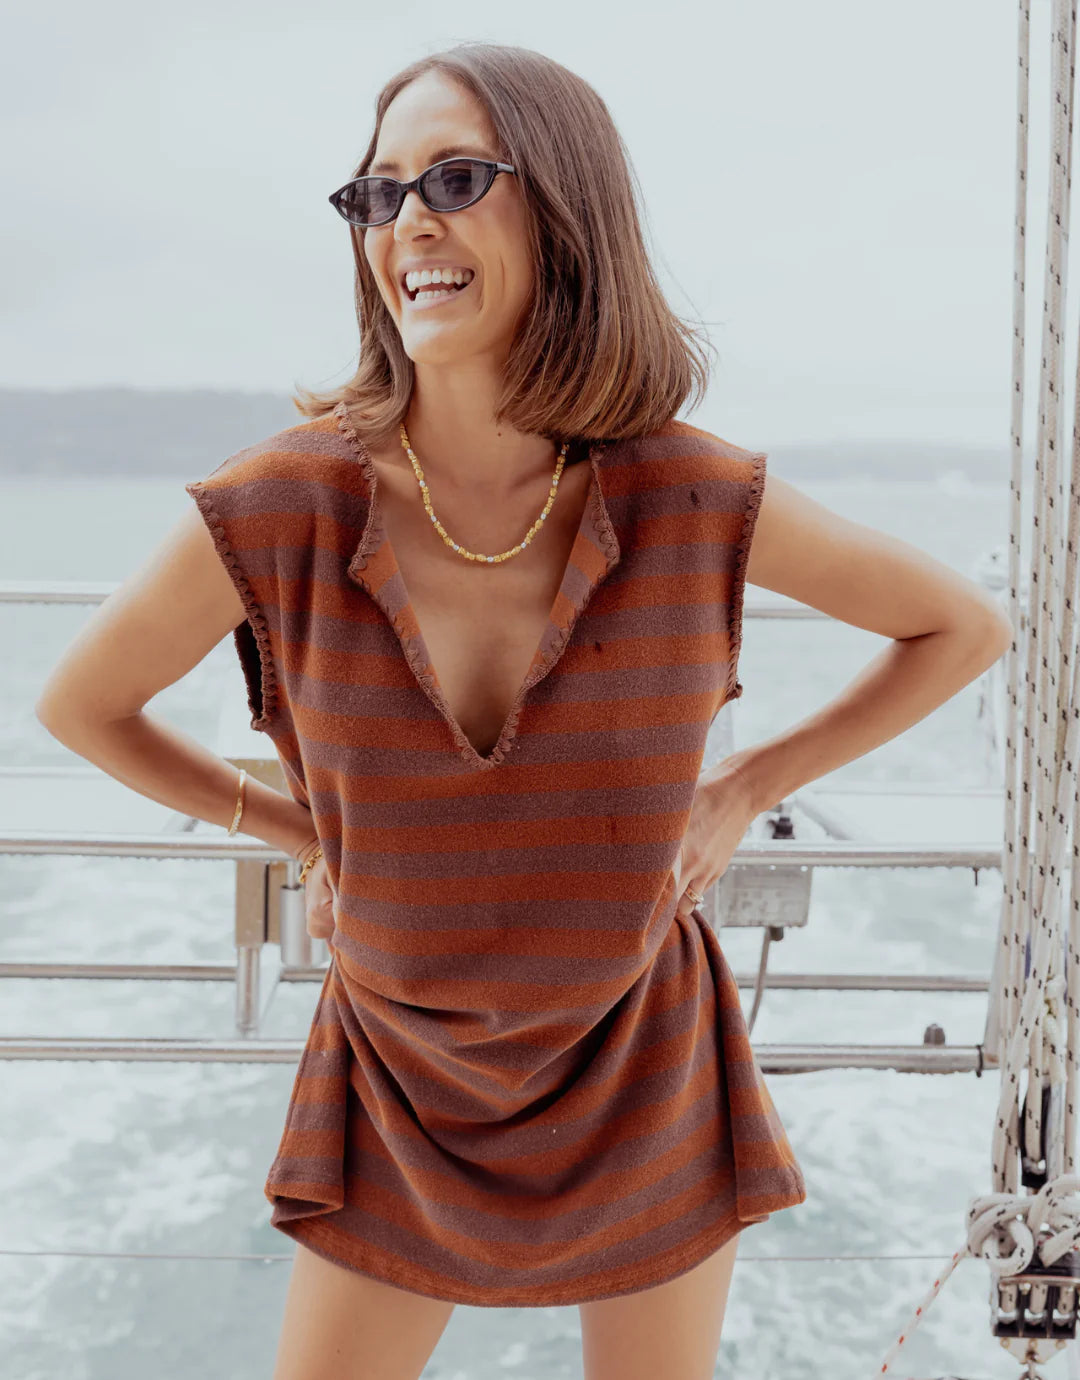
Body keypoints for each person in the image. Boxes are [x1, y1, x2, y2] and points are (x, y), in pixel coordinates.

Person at [35, 40, 1013, 1380]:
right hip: (397, 1077)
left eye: (454, 178)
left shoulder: (690, 494)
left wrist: (745, 785)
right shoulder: (280, 504)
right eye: (378, 194)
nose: (409, 222)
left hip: (641, 1064)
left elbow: (962, 626)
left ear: (564, 207)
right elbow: (84, 704)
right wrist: (303, 832)